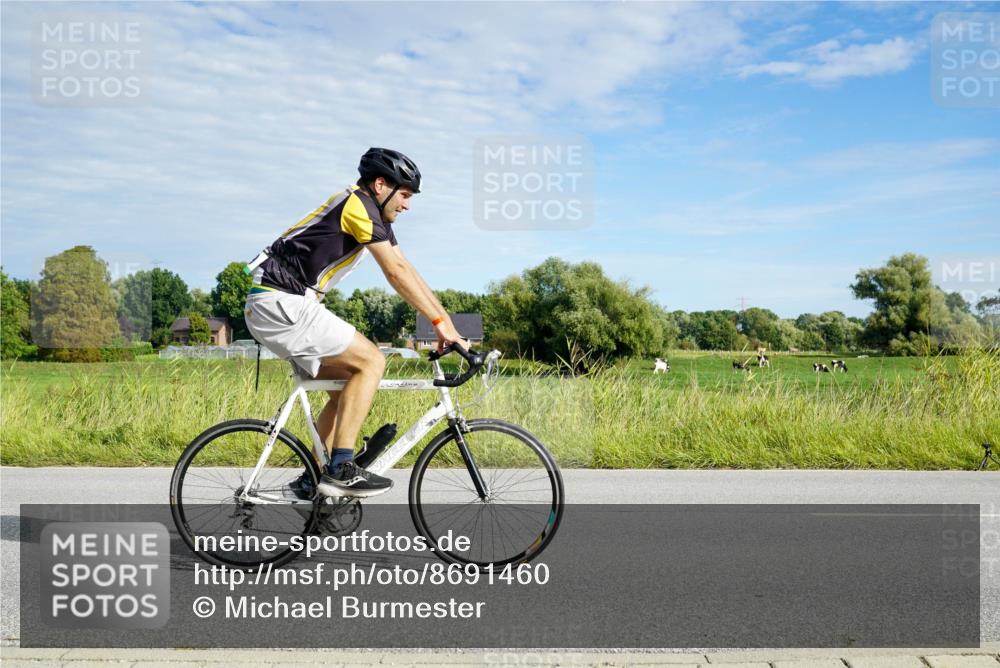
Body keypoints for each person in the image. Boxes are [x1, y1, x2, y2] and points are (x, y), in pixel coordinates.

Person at [243, 148, 467, 497]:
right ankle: (341, 468)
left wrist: (447, 323)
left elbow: (404, 265)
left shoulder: (370, 212)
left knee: (348, 381)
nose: (407, 205)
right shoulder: (357, 207)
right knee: (371, 360)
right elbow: (394, 273)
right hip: (280, 301)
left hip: (278, 304)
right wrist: (440, 323)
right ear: (381, 185)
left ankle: (314, 478)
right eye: (405, 195)